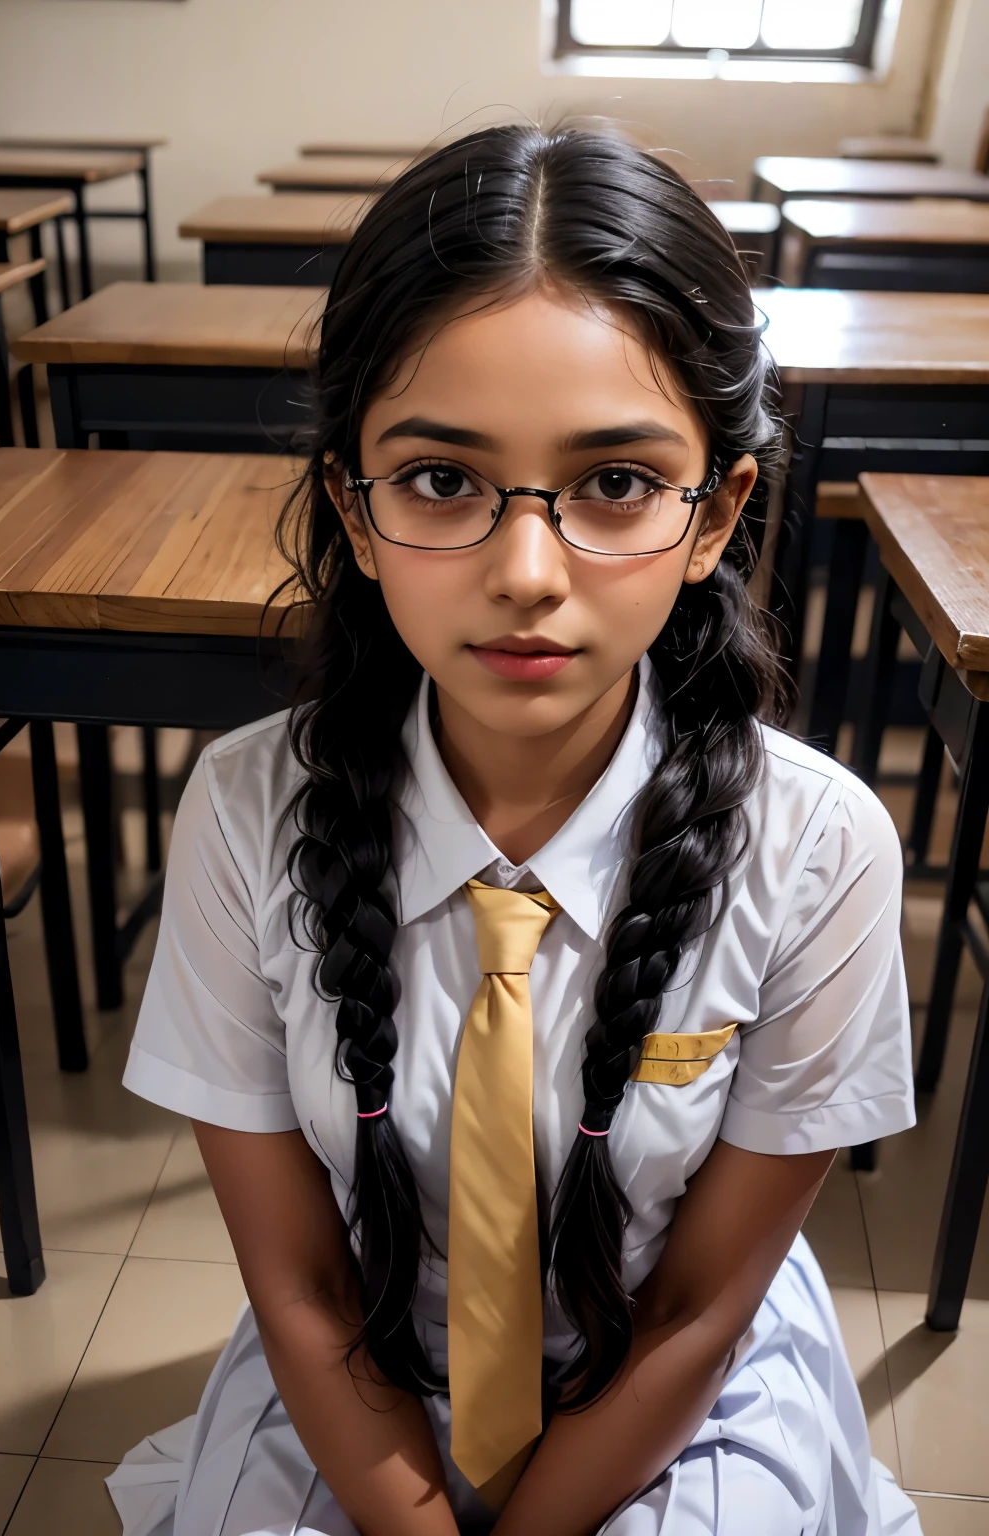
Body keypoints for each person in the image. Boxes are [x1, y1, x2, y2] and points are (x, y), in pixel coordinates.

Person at [108, 125, 921, 1536]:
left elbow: (697, 1300)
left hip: (679, 1384)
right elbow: (299, 1281)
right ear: (353, 511)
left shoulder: (817, 849)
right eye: (440, 480)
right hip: (357, 1371)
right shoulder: (248, 815)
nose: (527, 575)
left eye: (614, 483)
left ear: (717, 510)